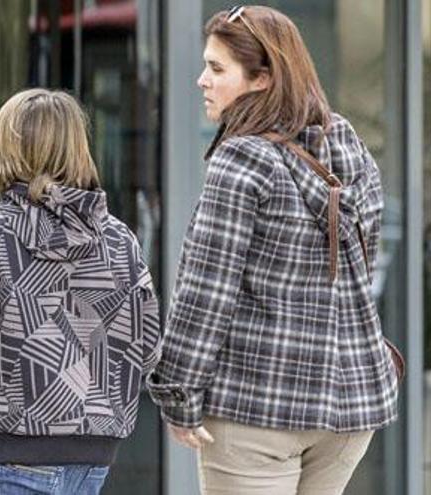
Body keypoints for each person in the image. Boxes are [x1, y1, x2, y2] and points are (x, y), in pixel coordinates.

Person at [146, 6, 399, 495]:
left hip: (259, 406)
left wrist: (178, 393)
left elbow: (206, 291)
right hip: (349, 405)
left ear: (262, 78)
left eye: (217, 69)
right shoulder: (347, 145)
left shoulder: (242, 158)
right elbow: (359, 267)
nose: (202, 80)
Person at [0, 88, 161, 495]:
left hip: (15, 446)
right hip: (96, 454)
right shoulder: (121, 239)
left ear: (6, 147)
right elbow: (148, 349)